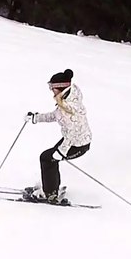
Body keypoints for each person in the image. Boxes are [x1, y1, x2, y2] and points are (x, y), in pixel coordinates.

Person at [25, 69, 91, 204]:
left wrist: (62, 151)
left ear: (59, 88)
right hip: (73, 140)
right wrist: (36, 118)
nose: (51, 91)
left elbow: (72, 132)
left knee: (47, 158)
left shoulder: (68, 107)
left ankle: (50, 194)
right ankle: (51, 187)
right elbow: (55, 115)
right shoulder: (67, 100)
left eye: (52, 88)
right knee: (50, 159)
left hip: (77, 144)